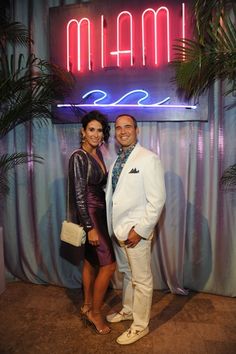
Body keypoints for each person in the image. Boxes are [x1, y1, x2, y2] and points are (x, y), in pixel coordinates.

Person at [105, 114, 166, 345]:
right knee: (128, 275)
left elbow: (157, 200)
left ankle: (140, 326)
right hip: (118, 231)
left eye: (127, 127)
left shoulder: (148, 159)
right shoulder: (117, 160)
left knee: (141, 280)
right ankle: (129, 310)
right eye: (118, 128)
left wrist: (140, 230)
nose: (122, 131)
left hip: (135, 233)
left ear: (137, 130)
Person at [68, 110, 116, 334]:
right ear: (83, 132)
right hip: (91, 216)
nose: (96, 134)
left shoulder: (98, 154)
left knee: (90, 262)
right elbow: (79, 195)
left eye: (99, 130)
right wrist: (89, 227)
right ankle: (96, 313)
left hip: (100, 213)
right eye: (91, 130)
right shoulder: (78, 156)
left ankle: (87, 305)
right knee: (108, 265)